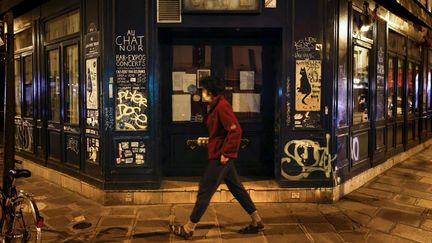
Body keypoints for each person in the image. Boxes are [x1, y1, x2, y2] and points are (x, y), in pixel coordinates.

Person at [169, 76, 264, 240]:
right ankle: (257, 221)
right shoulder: (214, 106)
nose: (202, 92)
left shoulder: (221, 106)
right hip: (220, 154)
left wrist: (226, 154)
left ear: (209, 92)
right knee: (237, 189)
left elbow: (235, 130)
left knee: (204, 191)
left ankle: (189, 228)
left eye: (203, 90)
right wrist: (210, 142)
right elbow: (221, 132)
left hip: (221, 158)